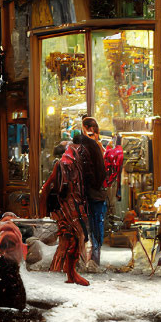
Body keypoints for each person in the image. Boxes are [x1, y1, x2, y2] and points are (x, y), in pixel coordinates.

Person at [41, 136, 91, 286]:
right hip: (66, 208)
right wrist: (43, 212)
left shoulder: (75, 164)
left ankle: (66, 271)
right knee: (74, 237)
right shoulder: (63, 165)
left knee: (71, 239)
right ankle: (70, 273)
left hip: (72, 207)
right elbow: (47, 187)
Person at [80, 117, 108, 266]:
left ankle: (94, 259)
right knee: (96, 225)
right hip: (98, 192)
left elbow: (98, 171)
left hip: (93, 193)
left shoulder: (91, 146)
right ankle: (94, 258)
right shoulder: (97, 145)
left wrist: (92, 185)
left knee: (93, 226)